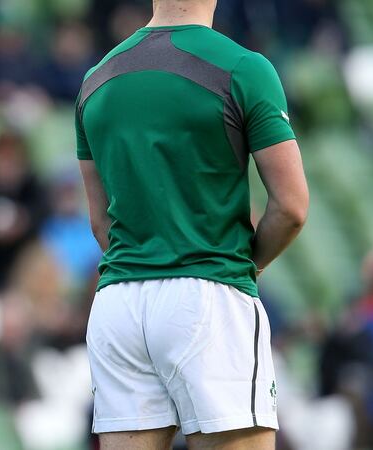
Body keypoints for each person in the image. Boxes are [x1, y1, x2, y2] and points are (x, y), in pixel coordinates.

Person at [76, 1, 309, 449]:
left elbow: (100, 221)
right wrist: (245, 267)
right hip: (209, 297)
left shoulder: (96, 78)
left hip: (119, 303)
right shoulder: (245, 67)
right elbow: (292, 207)